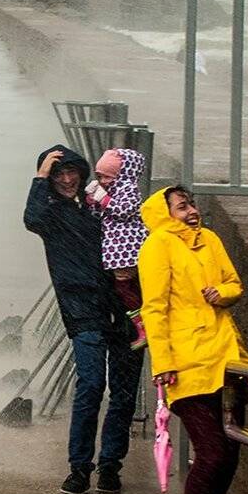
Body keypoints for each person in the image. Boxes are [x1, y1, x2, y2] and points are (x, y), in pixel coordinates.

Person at [137, 185, 248, 494]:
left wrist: (222, 293)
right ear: (165, 213)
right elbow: (154, 309)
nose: (191, 211)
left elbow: (235, 284)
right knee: (213, 452)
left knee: (230, 454)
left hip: (225, 359)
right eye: (182, 206)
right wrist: (162, 363)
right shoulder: (157, 246)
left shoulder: (211, 240)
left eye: (192, 204)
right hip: (186, 364)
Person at [23, 145, 143, 494]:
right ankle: (79, 468)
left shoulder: (98, 206)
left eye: (71, 171)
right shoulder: (51, 216)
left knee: (123, 391)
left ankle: (110, 466)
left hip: (125, 307)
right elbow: (31, 218)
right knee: (90, 384)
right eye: (58, 174)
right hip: (82, 308)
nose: (66, 179)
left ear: (82, 173)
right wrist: (39, 176)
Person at [84, 148, 150, 348]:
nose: (103, 181)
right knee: (126, 287)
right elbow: (101, 215)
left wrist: (102, 198)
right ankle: (143, 322)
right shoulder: (113, 190)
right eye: (100, 176)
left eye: (107, 176)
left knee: (125, 286)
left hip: (127, 248)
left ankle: (143, 323)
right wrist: (92, 202)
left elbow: (123, 211)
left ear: (120, 174)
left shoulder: (129, 189)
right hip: (117, 249)